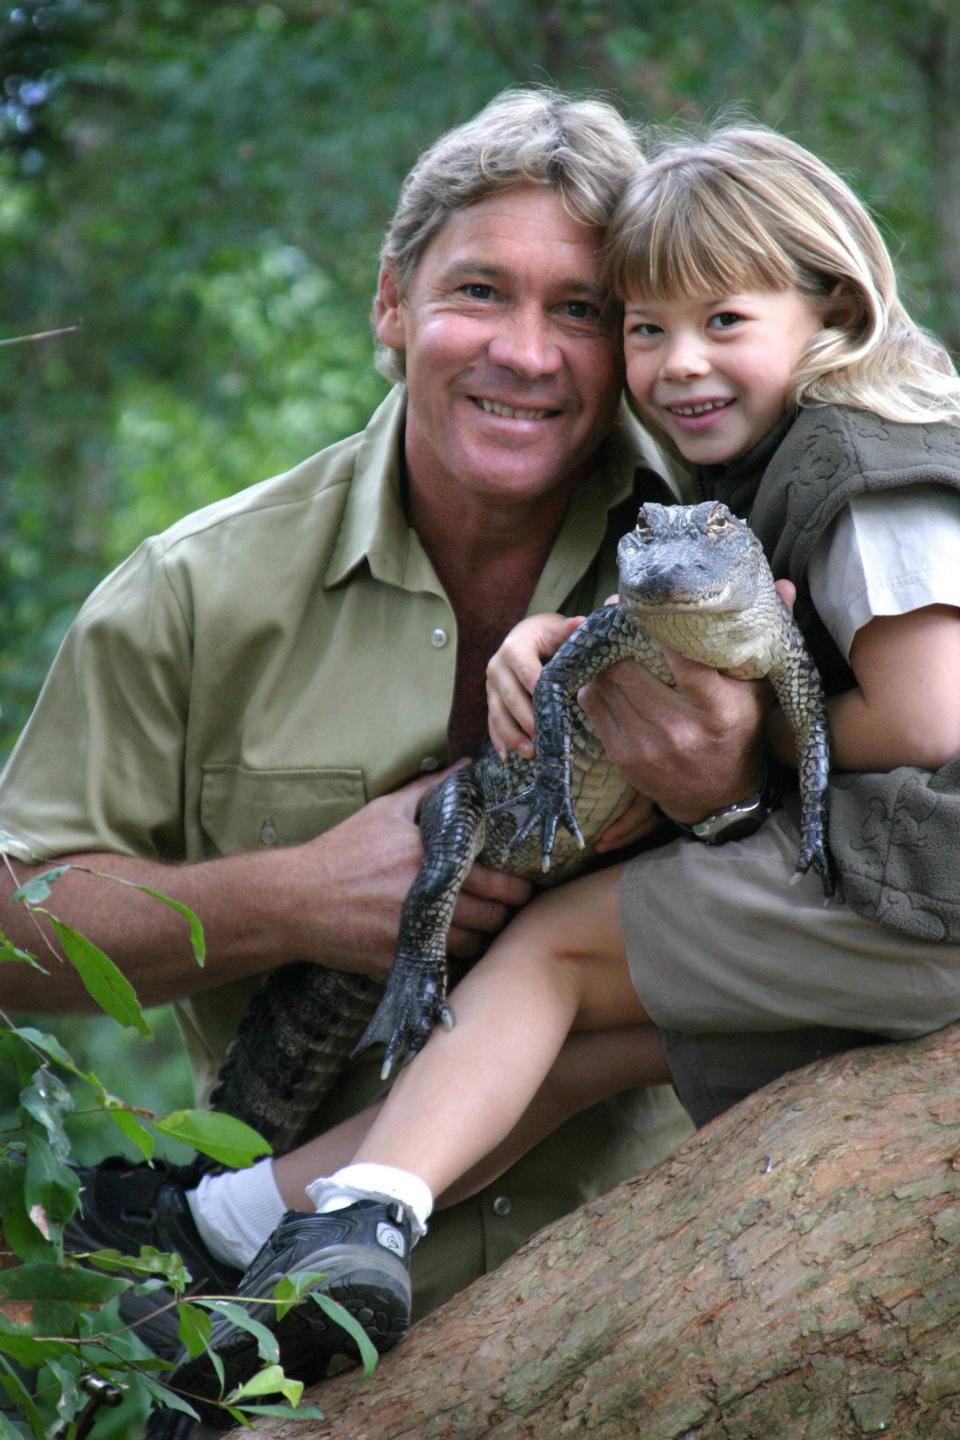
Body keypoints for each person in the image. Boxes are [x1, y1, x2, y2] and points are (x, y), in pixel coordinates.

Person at [164, 116, 960, 1410]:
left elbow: (928, 721)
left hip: (929, 886)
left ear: (835, 305)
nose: (679, 363)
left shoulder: (865, 470)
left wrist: (747, 738)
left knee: (551, 957)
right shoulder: (777, 457)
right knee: (593, 1034)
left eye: (724, 321)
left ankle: (332, 1215)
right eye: (646, 329)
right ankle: (245, 1230)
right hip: (910, 891)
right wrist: (561, 642)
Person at [0, 90, 770, 1384]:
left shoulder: (717, 551)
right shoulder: (197, 590)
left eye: (579, 310)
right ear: (392, 307)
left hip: (677, 1297)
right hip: (275, 1342)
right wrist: (290, 899)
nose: (527, 353)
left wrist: (733, 784)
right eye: (480, 292)